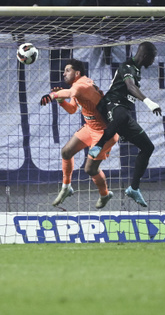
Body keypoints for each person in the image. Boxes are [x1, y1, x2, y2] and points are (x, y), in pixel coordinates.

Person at [87, 42, 162, 207]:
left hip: (123, 116)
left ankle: (134, 188)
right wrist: (149, 102)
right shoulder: (127, 66)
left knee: (148, 147)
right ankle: (99, 145)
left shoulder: (137, 71)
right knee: (121, 115)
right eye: (153, 58)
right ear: (146, 55)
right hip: (111, 106)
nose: (153, 61)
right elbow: (130, 85)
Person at [39, 59, 119, 209]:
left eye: (67, 70)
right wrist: (61, 101)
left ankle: (105, 194)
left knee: (90, 169)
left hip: (104, 133)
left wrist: (52, 96)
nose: (64, 73)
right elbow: (72, 110)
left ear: (77, 73)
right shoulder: (77, 86)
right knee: (66, 152)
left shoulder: (82, 85)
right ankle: (66, 187)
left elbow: (70, 92)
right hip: (90, 128)